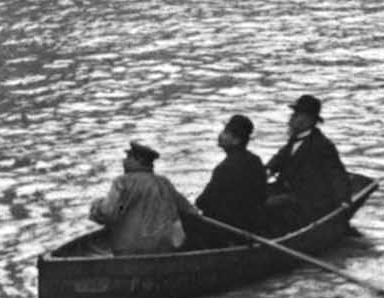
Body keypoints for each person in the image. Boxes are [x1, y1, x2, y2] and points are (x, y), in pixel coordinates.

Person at [89, 141, 198, 254]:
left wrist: (96, 206)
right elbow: (191, 211)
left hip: (128, 249)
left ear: (139, 161)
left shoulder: (122, 182)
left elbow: (108, 213)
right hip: (164, 248)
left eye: (128, 157)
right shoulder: (164, 183)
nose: (124, 161)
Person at [262, 95, 351, 233]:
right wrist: (263, 173)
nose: (290, 119)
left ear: (308, 120)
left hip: (306, 201)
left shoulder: (322, 145)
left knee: (267, 205)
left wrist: (344, 201)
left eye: (296, 115)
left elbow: (337, 174)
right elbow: (276, 161)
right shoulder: (294, 140)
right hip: (286, 192)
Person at [186, 114, 269, 246]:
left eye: (225, 133)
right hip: (251, 225)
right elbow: (262, 195)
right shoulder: (256, 161)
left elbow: (203, 201)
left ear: (236, 140)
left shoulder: (224, 168)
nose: (220, 135)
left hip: (227, 230)